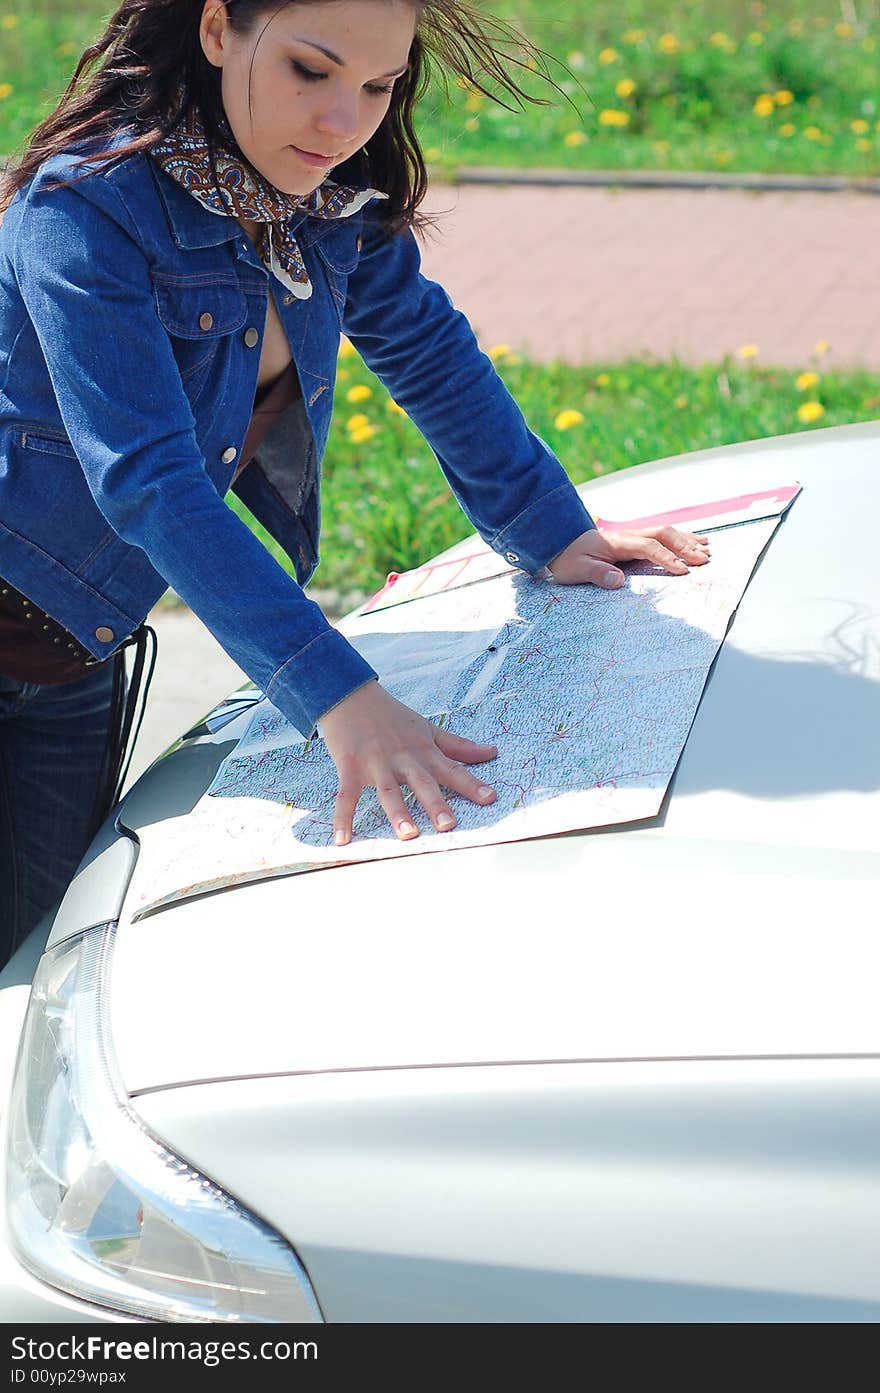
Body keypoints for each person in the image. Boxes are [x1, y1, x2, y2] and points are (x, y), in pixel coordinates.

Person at [0, 0, 709, 965]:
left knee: (32, 953)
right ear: (218, 31)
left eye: (377, 87)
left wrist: (551, 526)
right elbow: (149, 480)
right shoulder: (83, 210)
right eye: (309, 70)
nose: (345, 122)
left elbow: (428, 350)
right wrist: (339, 695)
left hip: (70, 650)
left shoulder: (325, 205)